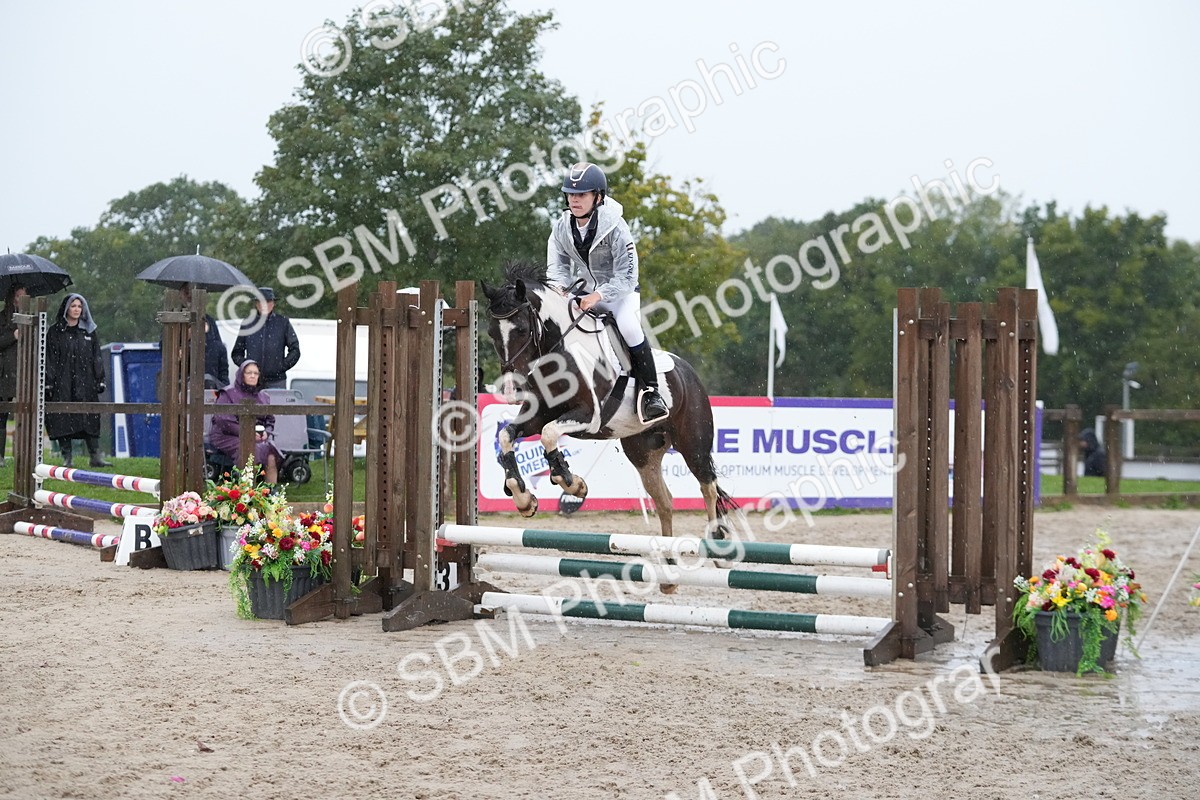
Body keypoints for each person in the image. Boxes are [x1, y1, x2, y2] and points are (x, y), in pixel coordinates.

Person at [546, 162, 668, 424]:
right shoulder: (561, 228)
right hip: (582, 291)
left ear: (598, 197)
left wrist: (598, 296)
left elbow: (627, 275)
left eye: (582, 195)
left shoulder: (616, 227)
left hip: (619, 293)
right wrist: (561, 292)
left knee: (629, 326)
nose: (575, 200)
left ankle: (651, 393)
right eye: (571, 194)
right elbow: (557, 269)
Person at [45, 293, 111, 467]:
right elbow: (50, 358)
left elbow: (96, 356)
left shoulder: (88, 331)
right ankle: (67, 457)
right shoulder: (55, 331)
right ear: (66, 308)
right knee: (62, 417)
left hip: (86, 382)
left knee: (89, 416)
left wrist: (100, 379)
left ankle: (95, 456)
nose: (76, 309)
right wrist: (49, 382)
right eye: (73, 306)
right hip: (62, 382)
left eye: (79, 306)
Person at [210, 360, 282, 483]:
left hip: (257, 436)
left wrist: (267, 432)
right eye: (249, 373)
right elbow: (223, 420)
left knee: (271, 452)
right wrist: (247, 433)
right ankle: (246, 491)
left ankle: (271, 493)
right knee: (249, 449)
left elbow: (270, 420)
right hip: (227, 436)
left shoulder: (263, 396)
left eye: (256, 373)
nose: (253, 376)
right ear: (241, 374)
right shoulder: (227, 393)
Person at [231, 287, 300, 390]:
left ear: (273, 304)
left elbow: (295, 350)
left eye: (268, 302)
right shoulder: (248, 323)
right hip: (253, 382)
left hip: (277, 381)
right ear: (256, 304)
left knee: (277, 406)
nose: (264, 305)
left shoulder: (283, 323)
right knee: (251, 406)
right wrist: (248, 368)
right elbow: (236, 353)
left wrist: (281, 367)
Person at [0, 285, 29, 466]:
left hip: (25, 370)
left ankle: (26, 456)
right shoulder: (1, 317)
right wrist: (14, 335)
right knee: (2, 416)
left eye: (24, 296)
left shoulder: (30, 317)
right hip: (4, 373)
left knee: (26, 413)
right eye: (18, 296)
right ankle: (0, 456)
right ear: (12, 298)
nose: (21, 299)